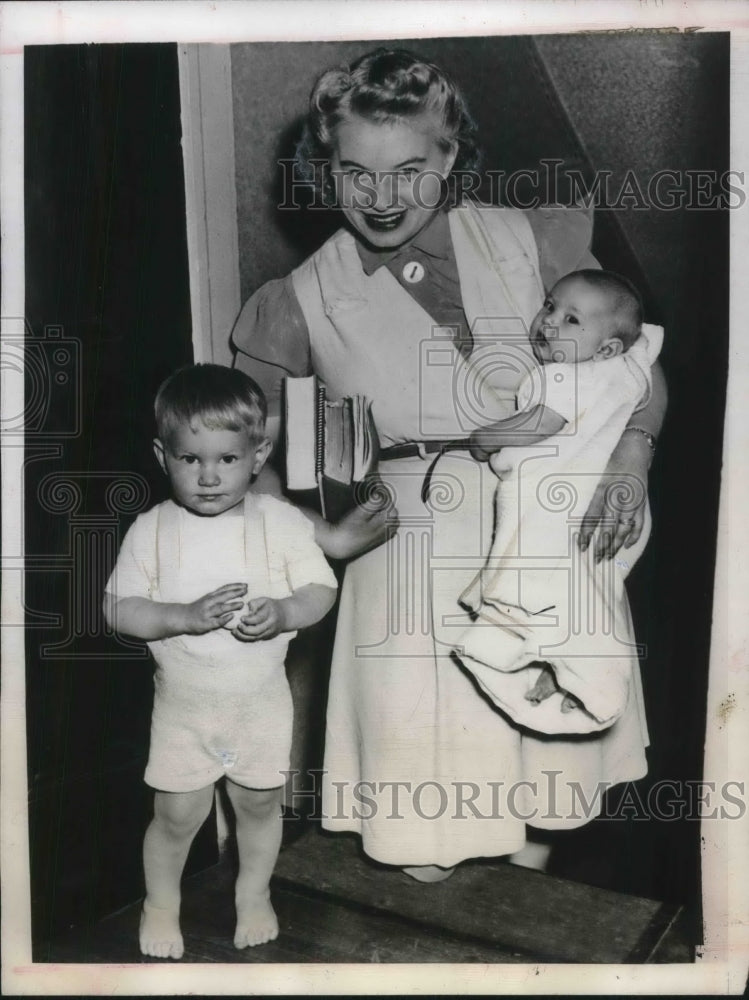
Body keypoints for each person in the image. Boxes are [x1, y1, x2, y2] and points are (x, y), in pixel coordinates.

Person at [231, 48, 667, 881]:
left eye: (407, 169)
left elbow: (632, 369)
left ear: (450, 158)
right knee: (427, 843)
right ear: (325, 171)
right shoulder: (297, 298)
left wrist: (631, 455)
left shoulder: (531, 239)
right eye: (355, 172)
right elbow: (240, 450)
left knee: (542, 807)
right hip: (409, 555)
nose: (381, 197)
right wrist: (317, 535)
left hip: (546, 532)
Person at [103, 365, 337, 957]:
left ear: (257, 456)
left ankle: (254, 892)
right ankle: (161, 905)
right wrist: (181, 616)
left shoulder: (278, 522)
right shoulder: (152, 530)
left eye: (227, 460)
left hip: (259, 706)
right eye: (190, 459)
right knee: (178, 815)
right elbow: (117, 608)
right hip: (184, 713)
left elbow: (321, 588)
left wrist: (284, 613)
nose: (208, 477)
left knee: (259, 804)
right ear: (163, 455)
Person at [455, 269, 662, 739]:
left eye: (572, 321)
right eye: (550, 306)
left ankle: (579, 671)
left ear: (607, 347)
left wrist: (485, 438)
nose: (549, 323)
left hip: (562, 508)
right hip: (604, 508)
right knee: (582, 598)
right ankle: (563, 663)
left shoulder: (567, 376)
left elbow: (538, 424)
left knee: (536, 588)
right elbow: (648, 343)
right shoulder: (624, 368)